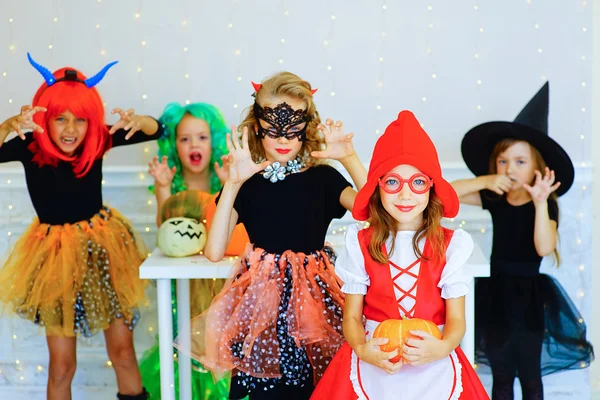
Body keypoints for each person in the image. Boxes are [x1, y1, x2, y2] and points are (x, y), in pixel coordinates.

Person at [180, 71, 367, 399]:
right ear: (256, 128)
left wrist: (349, 158)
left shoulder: (323, 178)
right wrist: (234, 183)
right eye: (273, 129)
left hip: (314, 302)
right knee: (266, 390)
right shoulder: (248, 182)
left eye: (293, 130)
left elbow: (375, 214)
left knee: (315, 386)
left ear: (306, 130)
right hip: (259, 307)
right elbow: (213, 251)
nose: (283, 139)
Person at [0, 53, 163, 399]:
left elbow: (157, 128)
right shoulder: (29, 147)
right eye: (61, 119)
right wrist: (4, 127)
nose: (71, 129)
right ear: (44, 117)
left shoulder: (99, 140)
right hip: (53, 259)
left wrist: (141, 120)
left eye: (81, 120)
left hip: (102, 250)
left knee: (122, 351)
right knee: (62, 364)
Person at [311, 110, 489, 399]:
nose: (405, 195)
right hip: (373, 361)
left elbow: (457, 319)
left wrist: (443, 347)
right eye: (393, 182)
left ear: (432, 187)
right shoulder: (360, 243)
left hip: (433, 366)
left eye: (418, 182)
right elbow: (352, 317)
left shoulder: (452, 245)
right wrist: (362, 349)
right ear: (378, 187)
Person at [452, 82, 593, 399]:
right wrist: (487, 180)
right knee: (501, 375)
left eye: (519, 161)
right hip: (496, 294)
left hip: (530, 297)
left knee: (529, 376)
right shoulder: (493, 195)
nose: (509, 168)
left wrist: (542, 203)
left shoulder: (546, 203)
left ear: (537, 168)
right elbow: (447, 192)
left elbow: (544, 247)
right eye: (503, 161)